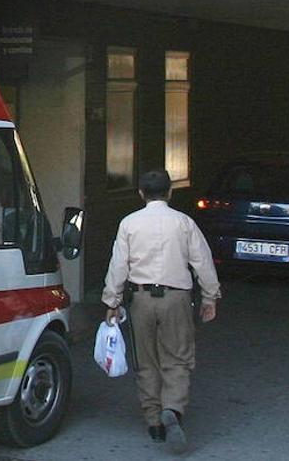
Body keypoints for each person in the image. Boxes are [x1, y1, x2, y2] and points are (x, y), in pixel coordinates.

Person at [102, 169, 221, 448]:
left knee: (146, 361)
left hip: (141, 299)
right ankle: (173, 409)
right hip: (176, 298)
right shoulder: (184, 223)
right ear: (170, 192)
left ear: (141, 193)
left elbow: (119, 265)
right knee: (178, 358)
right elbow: (202, 262)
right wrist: (209, 297)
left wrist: (112, 301)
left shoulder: (129, 223)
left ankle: (154, 421)